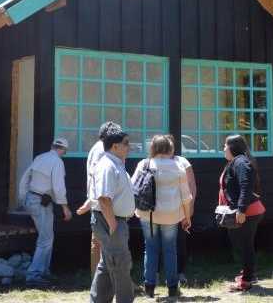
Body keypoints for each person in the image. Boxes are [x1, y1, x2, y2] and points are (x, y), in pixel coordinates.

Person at [132, 135, 193, 298]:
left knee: (150, 249)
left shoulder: (144, 164)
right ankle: (172, 287)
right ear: (170, 148)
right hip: (171, 215)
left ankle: (149, 287)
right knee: (170, 249)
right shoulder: (177, 166)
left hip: (148, 214)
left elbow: (134, 188)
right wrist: (187, 217)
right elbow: (186, 196)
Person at [18, 138, 72, 287]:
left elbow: (25, 178)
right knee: (46, 239)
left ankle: (43, 272)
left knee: (46, 237)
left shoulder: (40, 157)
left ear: (52, 146)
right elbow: (58, 187)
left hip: (32, 198)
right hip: (41, 203)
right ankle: (34, 275)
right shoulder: (57, 162)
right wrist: (65, 207)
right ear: (63, 150)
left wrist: (23, 197)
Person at [89, 129, 136, 303]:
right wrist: (113, 224)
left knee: (107, 264)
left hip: (113, 220)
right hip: (109, 220)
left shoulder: (116, 163)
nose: (129, 147)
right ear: (115, 146)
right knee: (120, 263)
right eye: (126, 143)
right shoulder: (107, 165)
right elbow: (103, 198)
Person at [220, 135, 265, 292]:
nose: (223, 149)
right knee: (241, 244)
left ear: (232, 147)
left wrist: (241, 209)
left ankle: (246, 281)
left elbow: (246, 186)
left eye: (225, 146)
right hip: (246, 210)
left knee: (243, 245)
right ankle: (248, 274)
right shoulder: (237, 161)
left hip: (248, 211)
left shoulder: (241, 162)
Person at [78, 121, 120, 275]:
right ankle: (104, 280)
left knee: (99, 242)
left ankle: (102, 280)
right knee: (103, 243)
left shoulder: (97, 148)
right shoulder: (102, 149)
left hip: (99, 200)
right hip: (103, 201)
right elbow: (100, 177)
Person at [174, 151, 197, 286]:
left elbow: (192, 186)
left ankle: (180, 272)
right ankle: (156, 273)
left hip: (181, 208)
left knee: (180, 240)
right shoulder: (152, 161)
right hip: (161, 209)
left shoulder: (182, 161)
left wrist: (191, 205)